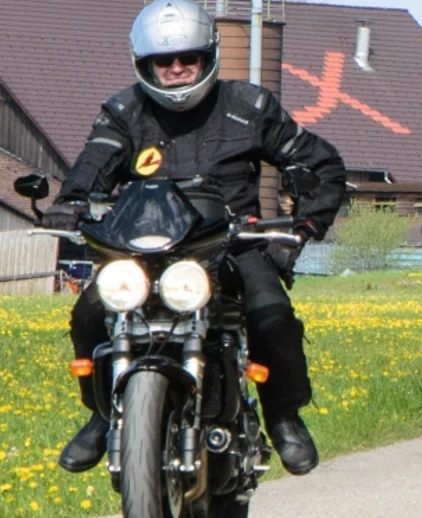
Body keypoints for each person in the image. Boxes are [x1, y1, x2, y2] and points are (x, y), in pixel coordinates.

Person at [42, 0, 346, 476]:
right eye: (165, 60)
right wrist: (70, 203)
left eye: (189, 58)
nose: (178, 69)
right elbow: (91, 167)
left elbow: (322, 166)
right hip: (144, 252)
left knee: (273, 317)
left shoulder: (249, 107)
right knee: (90, 312)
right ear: (145, 65)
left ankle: (284, 416)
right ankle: (101, 415)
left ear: (209, 57)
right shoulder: (124, 114)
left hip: (233, 245)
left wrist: (301, 229)